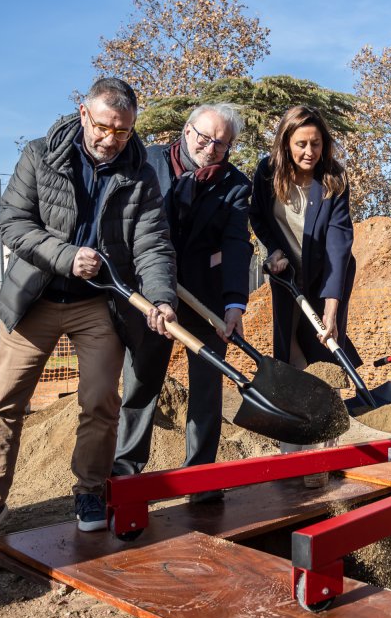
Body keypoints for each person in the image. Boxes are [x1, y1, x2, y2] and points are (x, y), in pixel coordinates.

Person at [0, 78, 177, 558]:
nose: (111, 139)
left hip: (95, 303)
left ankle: (89, 489)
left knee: (101, 399)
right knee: (6, 403)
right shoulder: (40, 155)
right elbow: (14, 223)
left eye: (122, 132)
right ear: (84, 114)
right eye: (103, 127)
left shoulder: (140, 173)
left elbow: (152, 244)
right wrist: (64, 255)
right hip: (34, 300)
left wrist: (160, 298)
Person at [112, 104, 253, 503]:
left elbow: (236, 245)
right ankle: (126, 475)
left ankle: (201, 479)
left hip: (203, 293)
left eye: (222, 143)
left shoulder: (235, 185)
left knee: (207, 386)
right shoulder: (147, 161)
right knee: (141, 379)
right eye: (204, 137)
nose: (210, 148)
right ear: (187, 130)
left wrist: (234, 304)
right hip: (148, 291)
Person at [249, 105, 358, 485]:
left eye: (316, 143)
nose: (309, 152)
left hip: (327, 272)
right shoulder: (266, 173)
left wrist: (331, 307)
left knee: (324, 346)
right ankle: (294, 448)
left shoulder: (333, 180)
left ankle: (324, 449)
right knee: (289, 348)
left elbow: (338, 244)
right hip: (286, 274)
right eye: (300, 144)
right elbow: (259, 217)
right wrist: (271, 250)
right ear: (286, 143)